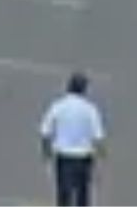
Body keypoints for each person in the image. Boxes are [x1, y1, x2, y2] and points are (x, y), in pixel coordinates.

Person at [40, 71, 105, 207]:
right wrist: (100, 160)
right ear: (84, 89)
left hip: (64, 157)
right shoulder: (90, 109)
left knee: (64, 194)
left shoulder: (58, 106)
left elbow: (45, 131)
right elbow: (98, 137)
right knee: (83, 194)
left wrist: (46, 154)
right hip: (84, 157)